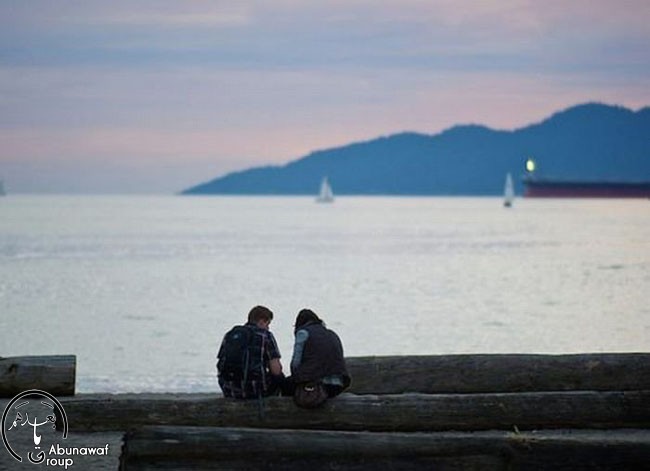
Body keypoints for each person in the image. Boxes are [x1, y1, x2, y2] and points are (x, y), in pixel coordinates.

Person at [216, 305, 287, 399]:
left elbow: (220, 362)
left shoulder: (230, 335)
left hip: (229, 390)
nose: (268, 328)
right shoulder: (266, 336)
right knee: (280, 377)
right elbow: (276, 370)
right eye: (268, 324)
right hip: (255, 391)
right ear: (261, 321)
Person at [290, 308, 351, 399]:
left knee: (284, 386)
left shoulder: (303, 333)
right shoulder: (332, 334)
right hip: (338, 385)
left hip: (315, 385)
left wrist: (296, 376)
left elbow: (295, 363)